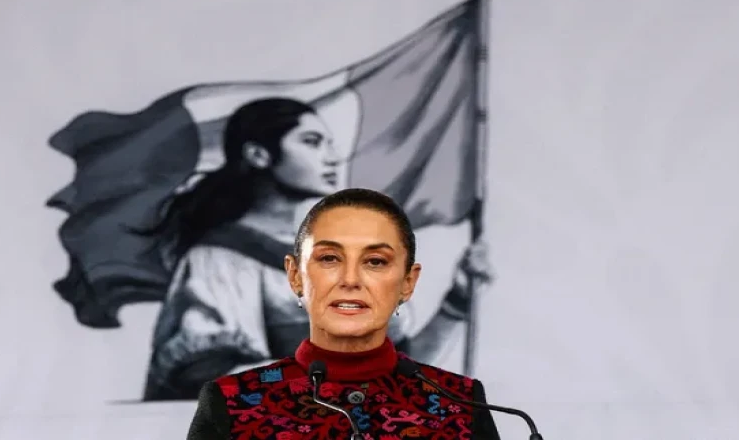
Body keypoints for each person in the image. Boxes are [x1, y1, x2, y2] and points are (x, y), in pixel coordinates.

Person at [142, 97, 491, 402]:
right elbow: (210, 379)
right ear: (259, 154)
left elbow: (399, 380)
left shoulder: (337, 259)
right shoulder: (220, 258)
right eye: (312, 142)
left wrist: (457, 302)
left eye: (329, 143)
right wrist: (339, 380)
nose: (332, 158)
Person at [186, 188, 500, 439]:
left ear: (407, 282)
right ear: (296, 276)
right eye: (329, 258)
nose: (350, 280)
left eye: (375, 261)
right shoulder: (232, 403)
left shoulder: (460, 404)